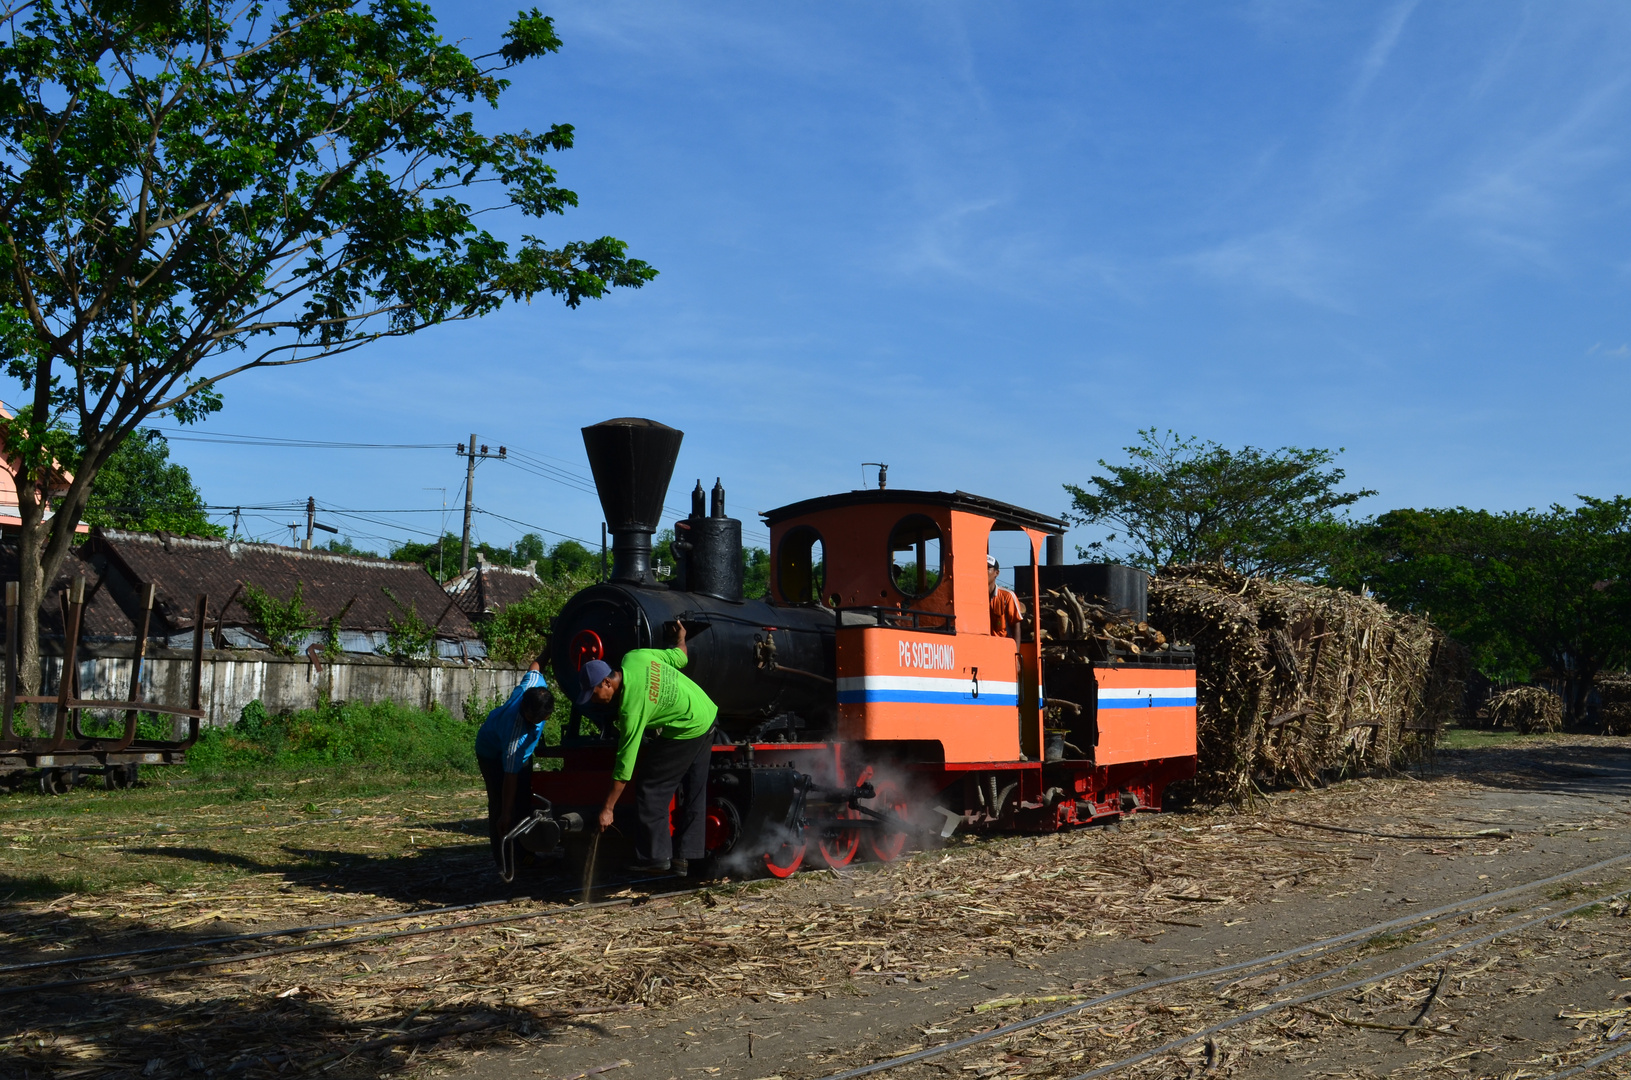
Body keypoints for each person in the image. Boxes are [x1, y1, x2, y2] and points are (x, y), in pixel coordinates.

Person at [575, 622, 718, 876]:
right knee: (694, 789)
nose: (595, 700)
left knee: (651, 787)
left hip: (689, 726)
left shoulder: (631, 708)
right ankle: (685, 858)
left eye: (594, 694)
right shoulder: (635, 656)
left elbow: (624, 766)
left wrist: (608, 808)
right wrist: (681, 638)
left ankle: (655, 857)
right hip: (707, 712)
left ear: (607, 682)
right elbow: (680, 657)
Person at [474, 659, 554, 873]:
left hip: (517, 753)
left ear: (546, 716)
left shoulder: (534, 687)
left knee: (524, 800)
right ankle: (506, 861)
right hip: (491, 751)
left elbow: (536, 666)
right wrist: (506, 814)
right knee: (501, 805)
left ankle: (526, 852)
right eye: (526, 716)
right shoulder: (515, 736)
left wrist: (551, 648)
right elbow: (510, 777)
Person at [988, 554, 1022, 638]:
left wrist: (1015, 651)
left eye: (987, 568)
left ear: (997, 573)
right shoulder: (972, 598)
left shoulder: (1007, 596)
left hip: (1002, 646)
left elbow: (1016, 625)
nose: (983, 571)